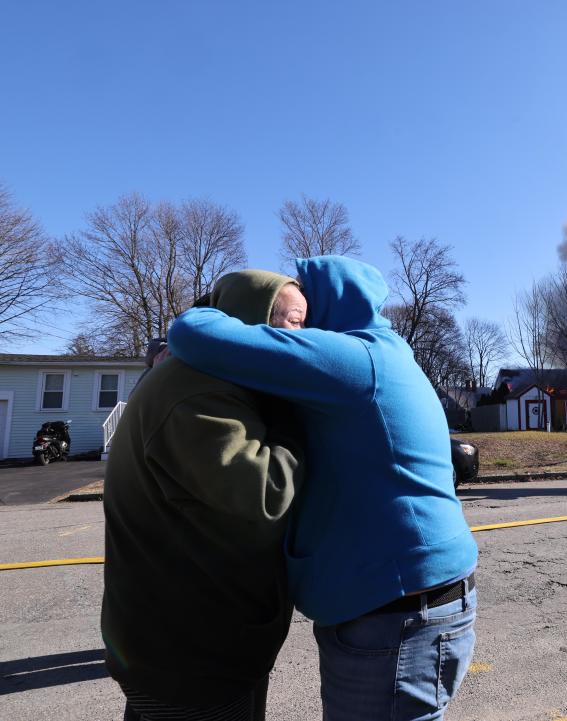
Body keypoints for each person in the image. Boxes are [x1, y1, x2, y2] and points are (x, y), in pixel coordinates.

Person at [168, 255, 478, 721]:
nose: (297, 322)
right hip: (409, 601)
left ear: (327, 305)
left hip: (394, 612)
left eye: (302, 307)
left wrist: (210, 306)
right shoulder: (385, 352)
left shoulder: (351, 359)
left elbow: (192, 335)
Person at [101, 271, 307, 721]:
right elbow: (267, 491)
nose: (306, 340)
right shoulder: (194, 392)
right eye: (295, 323)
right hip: (191, 658)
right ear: (252, 321)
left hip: (190, 644)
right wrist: (296, 418)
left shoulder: (210, 377)